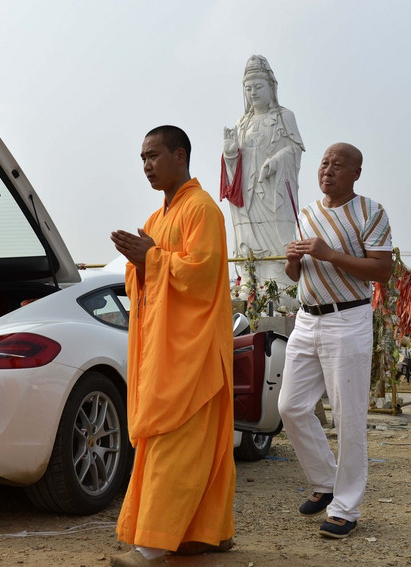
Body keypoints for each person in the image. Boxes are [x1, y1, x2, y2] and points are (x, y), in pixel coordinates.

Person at [109, 126, 235, 566]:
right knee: (184, 446)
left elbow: (204, 274)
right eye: (142, 158)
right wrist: (141, 264)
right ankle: (203, 532)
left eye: (154, 156)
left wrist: (152, 258)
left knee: (178, 446)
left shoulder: (203, 210)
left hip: (192, 353)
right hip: (162, 353)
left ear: (179, 156)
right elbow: (139, 283)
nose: (146, 165)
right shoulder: (155, 219)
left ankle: (153, 545)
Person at [278, 143, 393, 539]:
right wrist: (293, 261)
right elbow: (296, 276)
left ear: (356, 173)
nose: (328, 170)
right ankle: (326, 481)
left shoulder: (370, 212)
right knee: (290, 406)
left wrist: (329, 253)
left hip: (348, 317)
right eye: (324, 163)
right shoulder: (306, 213)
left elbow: (382, 270)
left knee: (348, 415)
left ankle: (346, 507)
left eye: (338, 165)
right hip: (307, 319)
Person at [221, 54, 304, 288]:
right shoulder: (241, 123)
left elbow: (295, 149)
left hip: (273, 192)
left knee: (278, 240)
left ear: (271, 87)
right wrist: (230, 154)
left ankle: (281, 287)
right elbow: (233, 171)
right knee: (248, 238)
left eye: (258, 87)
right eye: (248, 89)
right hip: (248, 194)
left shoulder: (284, 116)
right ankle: (249, 282)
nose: (253, 93)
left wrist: (276, 161)